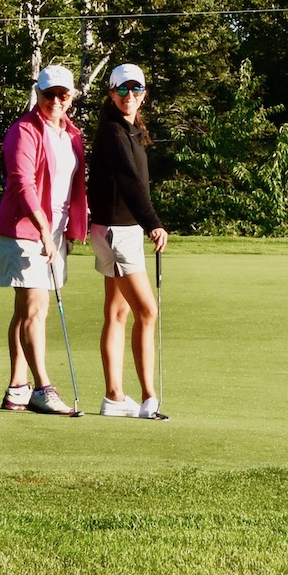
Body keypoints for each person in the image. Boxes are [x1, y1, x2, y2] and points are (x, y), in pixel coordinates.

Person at [0, 64, 89, 415]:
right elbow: (22, 184)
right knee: (35, 309)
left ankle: (18, 386)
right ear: (38, 94)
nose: (56, 101)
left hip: (55, 233)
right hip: (24, 231)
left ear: (71, 97)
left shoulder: (72, 135)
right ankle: (43, 388)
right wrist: (45, 230)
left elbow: (73, 188)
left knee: (25, 312)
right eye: (49, 95)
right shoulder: (23, 131)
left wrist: (69, 230)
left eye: (63, 95)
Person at [88, 62, 169, 419]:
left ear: (144, 95)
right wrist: (153, 222)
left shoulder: (130, 128)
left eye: (136, 90)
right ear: (111, 94)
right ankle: (148, 398)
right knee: (147, 311)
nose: (129, 96)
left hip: (116, 231)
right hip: (118, 232)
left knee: (117, 312)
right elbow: (129, 180)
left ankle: (114, 398)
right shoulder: (113, 132)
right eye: (123, 90)